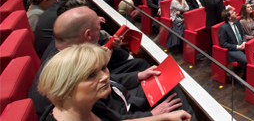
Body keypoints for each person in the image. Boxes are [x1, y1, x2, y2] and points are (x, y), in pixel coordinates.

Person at [36, 43, 192, 121]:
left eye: (103, 68)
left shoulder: (87, 103)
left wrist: (161, 118)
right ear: (65, 88)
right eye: (90, 75)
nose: (104, 77)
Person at [218, 9, 248, 77]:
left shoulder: (237, 22)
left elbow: (242, 34)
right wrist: (237, 47)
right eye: (232, 12)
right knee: (246, 61)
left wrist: (244, 42)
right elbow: (223, 44)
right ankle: (244, 77)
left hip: (242, 45)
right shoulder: (223, 28)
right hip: (233, 50)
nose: (235, 12)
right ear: (229, 17)